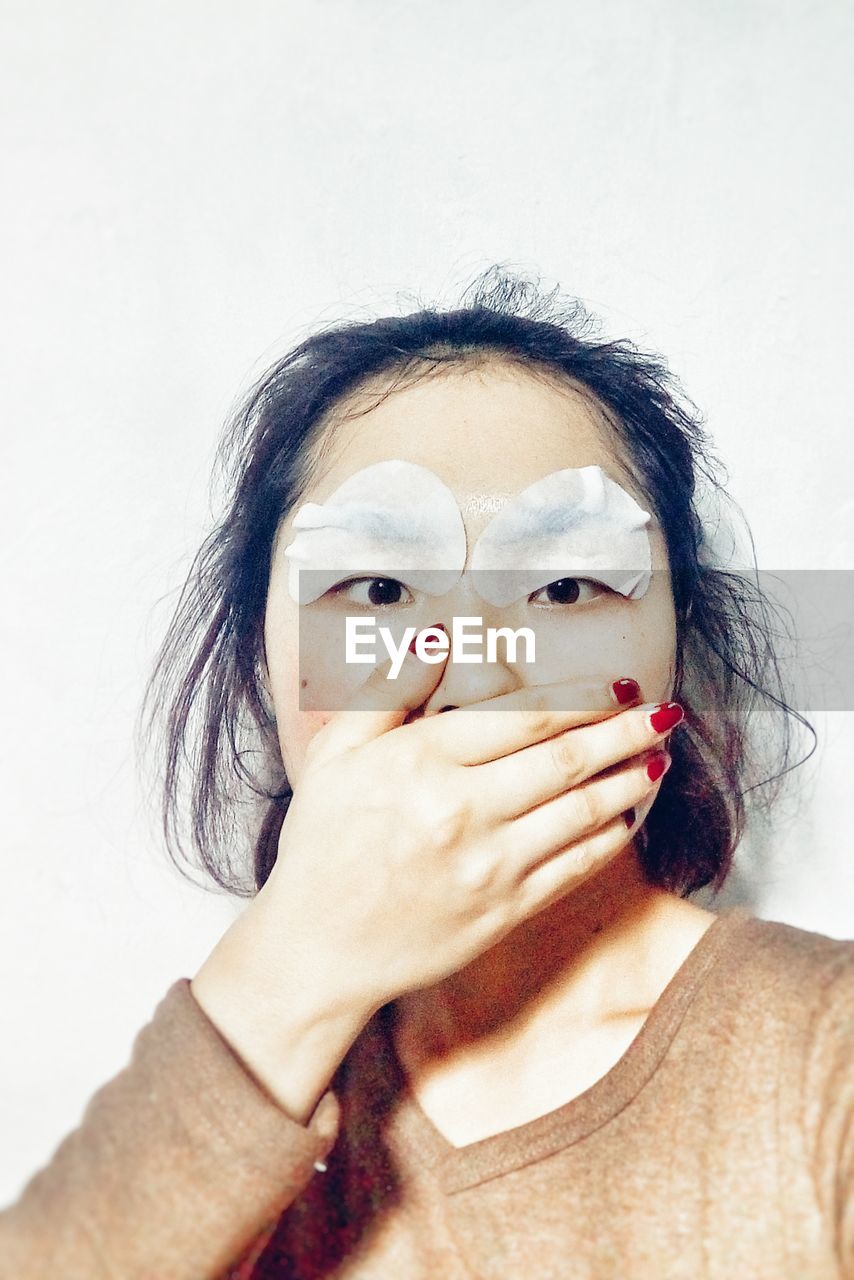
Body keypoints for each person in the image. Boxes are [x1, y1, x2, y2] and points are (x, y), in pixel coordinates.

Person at [1, 272, 851, 1279]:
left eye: (567, 584)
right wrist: (291, 967)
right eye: (378, 586)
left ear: (679, 649)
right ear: (259, 662)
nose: (475, 667)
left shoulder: (823, 1063)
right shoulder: (238, 1108)